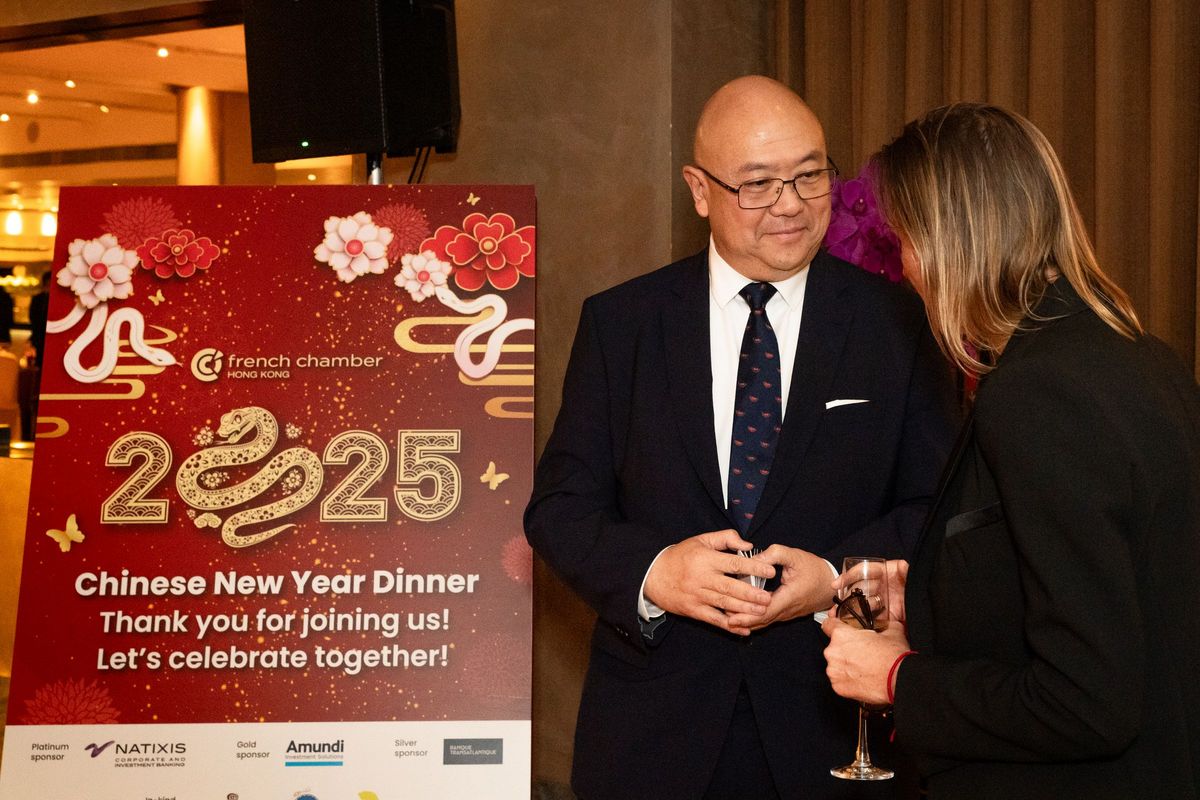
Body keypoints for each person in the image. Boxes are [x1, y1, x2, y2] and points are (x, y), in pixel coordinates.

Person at [525, 75, 959, 800]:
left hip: (834, 728)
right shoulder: (624, 325)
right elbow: (560, 510)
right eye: (757, 184)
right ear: (700, 190)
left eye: (810, 175)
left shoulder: (899, 324)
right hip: (652, 736)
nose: (791, 204)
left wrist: (833, 578)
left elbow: (939, 509)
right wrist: (656, 572)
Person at [821, 103, 1200, 799]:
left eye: (906, 241)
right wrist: (935, 595)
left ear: (948, 243)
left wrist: (897, 678)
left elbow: (1087, 701)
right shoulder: (1145, 358)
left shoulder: (1038, 392)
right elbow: (1105, 588)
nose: (904, 267)